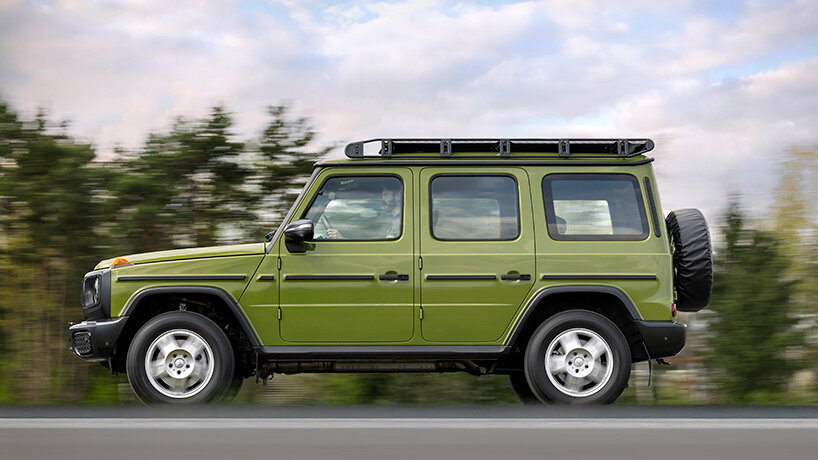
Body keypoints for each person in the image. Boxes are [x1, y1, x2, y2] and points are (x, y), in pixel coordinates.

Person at [326, 182, 402, 240]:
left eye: (386, 195)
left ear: (398, 197)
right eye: (382, 195)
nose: (382, 199)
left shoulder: (399, 223)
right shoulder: (396, 221)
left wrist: (341, 238)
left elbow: (383, 250)